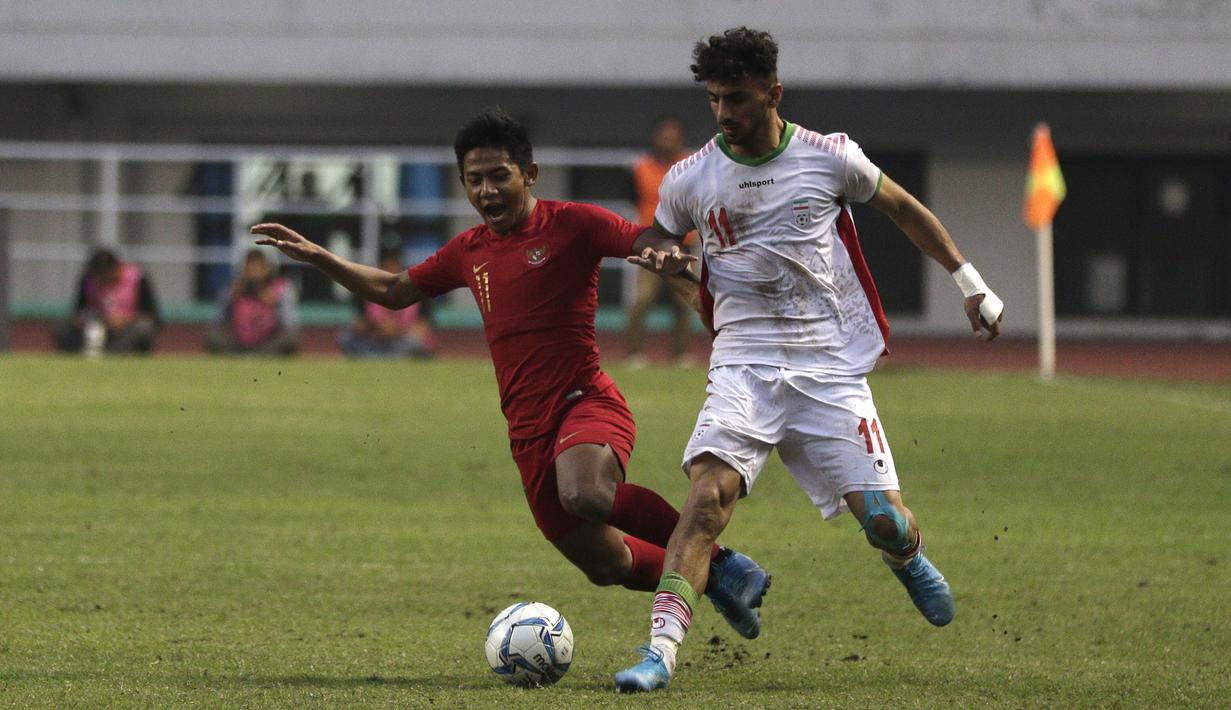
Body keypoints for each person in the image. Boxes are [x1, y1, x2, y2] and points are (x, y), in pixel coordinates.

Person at [251, 108, 770, 635]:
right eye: (474, 180)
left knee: (585, 493)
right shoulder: (468, 251)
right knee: (607, 565)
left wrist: (667, 257)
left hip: (585, 402)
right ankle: (705, 580)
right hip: (527, 433)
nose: (487, 191)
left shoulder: (573, 223)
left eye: (499, 175)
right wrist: (319, 256)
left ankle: (722, 560)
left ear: (529, 174)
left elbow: (639, 240)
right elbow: (392, 290)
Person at [614, 27, 1005, 692]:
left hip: (826, 366)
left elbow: (904, 210)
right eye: (713, 99)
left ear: (773, 92)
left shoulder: (830, 157)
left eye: (736, 97)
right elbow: (657, 226)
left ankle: (905, 557)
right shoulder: (692, 175)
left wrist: (971, 284)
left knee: (883, 521)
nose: (723, 113)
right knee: (705, 503)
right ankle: (659, 651)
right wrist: (659, 250)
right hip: (741, 364)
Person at [625, 117, 696, 367]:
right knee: (643, 299)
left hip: (685, 243)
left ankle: (681, 355)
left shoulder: (693, 164)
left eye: (672, 135)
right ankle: (634, 354)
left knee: (686, 300)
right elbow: (633, 198)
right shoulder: (641, 166)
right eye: (663, 135)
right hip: (650, 243)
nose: (668, 140)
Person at [54, 248, 160, 355]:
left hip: (126, 328)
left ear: (116, 268)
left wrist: (124, 321)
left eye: (105, 275)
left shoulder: (137, 279)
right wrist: (83, 320)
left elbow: (152, 316)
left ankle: (112, 353)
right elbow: (79, 310)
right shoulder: (88, 280)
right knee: (61, 327)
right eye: (99, 276)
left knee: (142, 327)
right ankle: (87, 350)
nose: (103, 280)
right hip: (96, 324)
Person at [338, 248, 436, 358]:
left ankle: (382, 357)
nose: (390, 271)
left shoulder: (418, 289)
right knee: (347, 338)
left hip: (403, 340)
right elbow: (359, 323)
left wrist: (397, 331)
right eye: (386, 266)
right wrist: (376, 327)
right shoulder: (366, 288)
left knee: (415, 342)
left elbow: (424, 325)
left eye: (394, 266)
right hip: (376, 339)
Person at [206, 248, 300, 355]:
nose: (254, 271)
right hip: (239, 343)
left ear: (267, 267)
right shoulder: (234, 288)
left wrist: (275, 303)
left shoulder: (281, 288)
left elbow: (290, 324)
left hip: (270, 342)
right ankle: (241, 354)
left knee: (290, 339)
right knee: (213, 337)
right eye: (250, 267)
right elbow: (217, 321)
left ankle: (260, 354)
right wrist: (230, 298)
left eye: (258, 266)